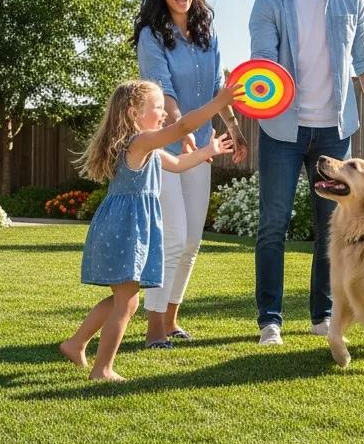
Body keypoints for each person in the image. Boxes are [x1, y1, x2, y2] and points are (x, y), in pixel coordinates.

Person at [248, 0, 364, 346]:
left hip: (334, 129)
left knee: (333, 226)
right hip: (282, 131)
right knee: (273, 224)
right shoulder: (268, 2)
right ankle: (270, 319)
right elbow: (264, 65)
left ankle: (322, 314)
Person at [59, 78, 241, 381]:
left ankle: (75, 344)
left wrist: (208, 149)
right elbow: (181, 129)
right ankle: (102, 369)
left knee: (122, 297)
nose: (165, 114)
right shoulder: (138, 143)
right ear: (133, 112)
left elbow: (180, 164)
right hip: (124, 229)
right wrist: (219, 103)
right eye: (158, 108)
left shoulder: (147, 148)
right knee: (127, 301)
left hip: (125, 228)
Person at [134, 0, 248, 346]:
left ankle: (170, 321)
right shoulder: (152, 35)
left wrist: (234, 129)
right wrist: (180, 127)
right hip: (167, 147)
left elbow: (221, 88)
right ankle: (152, 330)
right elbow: (162, 90)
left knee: (192, 242)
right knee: (173, 237)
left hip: (201, 146)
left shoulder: (206, 32)